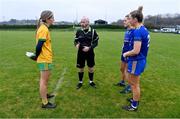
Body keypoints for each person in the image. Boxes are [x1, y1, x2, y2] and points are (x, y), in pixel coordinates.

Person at [122, 6, 150, 111]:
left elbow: (136, 50)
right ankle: (135, 99)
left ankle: (134, 106)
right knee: (133, 82)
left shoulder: (138, 31)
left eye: (129, 18)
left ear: (135, 19)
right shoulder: (144, 29)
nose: (128, 20)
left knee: (134, 84)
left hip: (136, 60)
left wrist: (126, 54)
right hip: (140, 60)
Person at [32, 10, 56, 109]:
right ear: (47, 19)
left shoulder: (44, 28)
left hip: (47, 58)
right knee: (43, 80)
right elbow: (39, 46)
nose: (54, 20)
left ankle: (45, 95)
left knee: (46, 80)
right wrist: (36, 56)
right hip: (44, 59)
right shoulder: (43, 29)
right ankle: (45, 103)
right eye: (52, 18)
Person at [74, 17, 99, 89]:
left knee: (91, 67)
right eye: (81, 22)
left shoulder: (93, 31)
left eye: (83, 22)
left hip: (90, 52)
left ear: (88, 22)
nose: (82, 23)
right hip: (80, 52)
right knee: (80, 67)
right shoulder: (78, 31)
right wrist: (76, 44)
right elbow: (75, 41)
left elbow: (96, 42)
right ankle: (80, 82)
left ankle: (91, 81)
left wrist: (89, 48)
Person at [115, 15, 134, 94]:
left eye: (125, 20)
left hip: (129, 53)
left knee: (127, 71)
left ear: (130, 21)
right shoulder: (127, 30)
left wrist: (129, 53)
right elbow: (125, 42)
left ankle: (129, 87)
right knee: (122, 69)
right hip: (124, 52)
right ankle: (123, 82)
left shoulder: (134, 31)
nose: (124, 22)